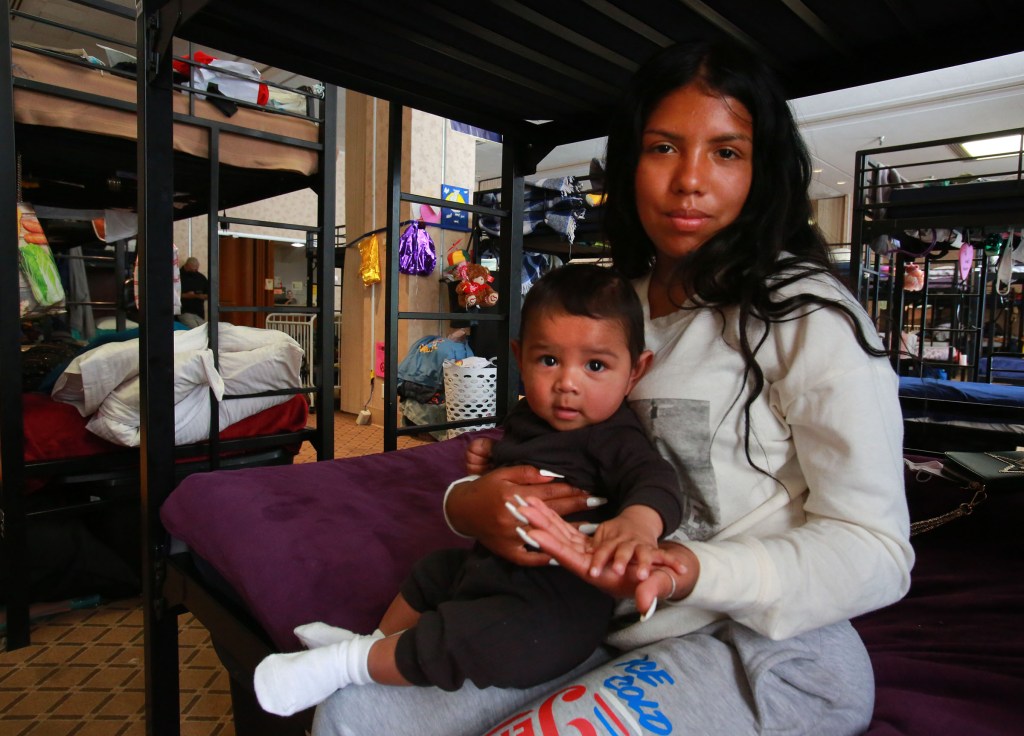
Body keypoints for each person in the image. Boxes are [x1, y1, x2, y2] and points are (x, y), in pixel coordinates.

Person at [313, 39, 914, 736]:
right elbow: (526, 444)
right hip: (577, 617)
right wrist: (467, 507)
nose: (690, 179)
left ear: (762, 169)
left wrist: (686, 569)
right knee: (353, 716)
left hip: (752, 643)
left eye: (726, 152)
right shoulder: (607, 312)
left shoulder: (805, 315)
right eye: (663, 148)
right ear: (629, 162)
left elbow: (877, 549)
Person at [255, 264, 686, 717]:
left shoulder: (613, 435)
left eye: (595, 365)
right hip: (491, 565)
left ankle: (347, 666)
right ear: (520, 359)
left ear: (636, 372)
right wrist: (488, 462)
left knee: (465, 635)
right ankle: (376, 646)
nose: (567, 383)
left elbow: (656, 480)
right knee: (432, 572)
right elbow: (514, 473)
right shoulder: (530, 418)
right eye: (549, 360)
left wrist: (638, 520)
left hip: (552, 605)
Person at [179, 256, 209, 328]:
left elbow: (208, 293)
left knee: (206, 330)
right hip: (184, 312)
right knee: (195, 330)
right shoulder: (177, 276)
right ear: (187, 265)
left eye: (197, 268)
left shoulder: (201, 277)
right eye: (193, 268)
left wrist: (203, 296)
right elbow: (172, 295)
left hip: (198, 313)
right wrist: (186, 295)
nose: (195, 269)